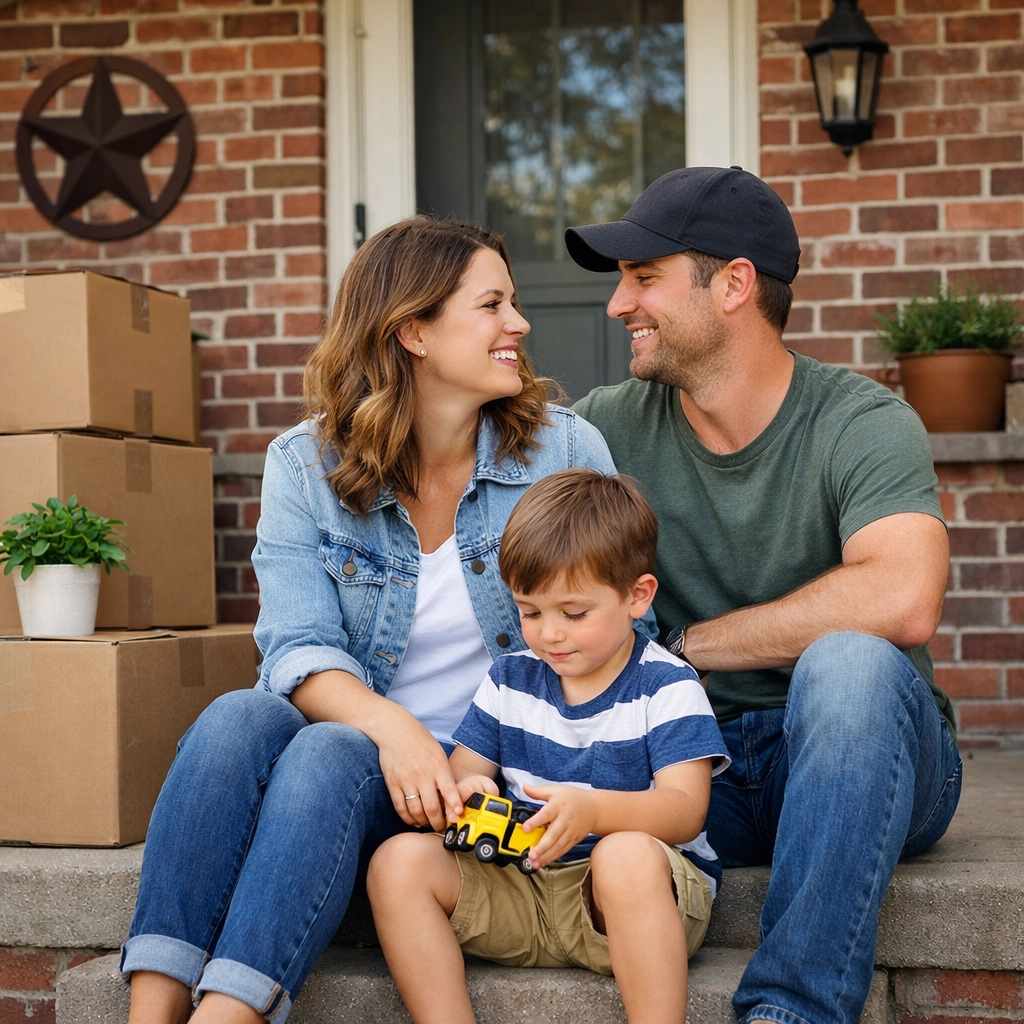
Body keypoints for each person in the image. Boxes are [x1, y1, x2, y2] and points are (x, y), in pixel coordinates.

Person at [120, 218, 633, 1024]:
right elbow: (296, 646)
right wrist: (394, 729)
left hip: (477, 787)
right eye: (493, 304)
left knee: (328, 746)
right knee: (239, 716)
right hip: (363, 766)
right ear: (414, 332)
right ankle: (149, 1014)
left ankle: (227, 1016)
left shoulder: (564, 453)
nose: (520, 325)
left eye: (515, 302)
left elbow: (618, 640)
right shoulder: (305, 464)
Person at [565, 167, 962, 1024]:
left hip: (856, 755)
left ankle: (790, 1012)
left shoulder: (861, 420)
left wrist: (685, 649)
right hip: (689, 763)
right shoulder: (604, 430)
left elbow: (903, 597)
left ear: (735, 284)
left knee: (852, 663)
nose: (616, 305)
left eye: (643, 278)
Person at [367, 469, 729, 1024]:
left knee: (624, 856)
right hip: (523, 885)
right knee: (396, 864)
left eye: (574, 614)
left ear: (637, 596)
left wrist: (594, 811)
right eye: (530, 612)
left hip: (627, 905)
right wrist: (470, 791)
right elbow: (464, 773)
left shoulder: (667, 684)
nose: (549, 634)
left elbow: (685, 810)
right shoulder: (511, 679)